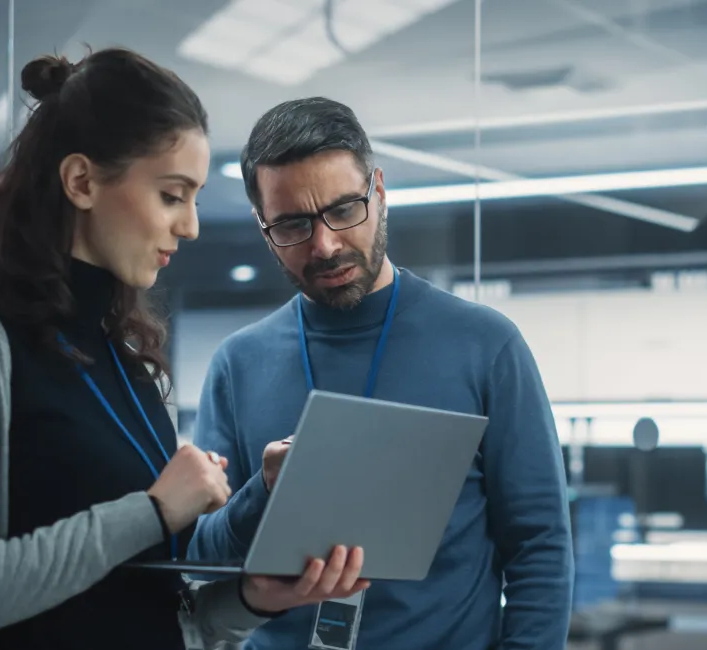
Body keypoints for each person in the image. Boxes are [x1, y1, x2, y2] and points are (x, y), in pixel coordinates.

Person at [0, 50, 367, 650]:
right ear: (82, 182)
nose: (190, 225)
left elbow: (158, 618)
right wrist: (153, 512)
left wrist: (253, 599)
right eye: (172, 195)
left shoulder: (133, 369)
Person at [187, 97, 574, 649]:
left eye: (345, 210)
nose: (325, 245)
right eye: (292, 225)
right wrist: (265, 492)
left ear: (380, 191)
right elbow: (204, 557)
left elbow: (540, 548)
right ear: (262, 224)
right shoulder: (238, 364)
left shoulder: (486, 346)